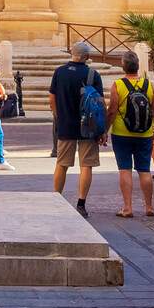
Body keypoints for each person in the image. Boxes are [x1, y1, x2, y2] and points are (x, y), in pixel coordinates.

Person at [49, 39, 105, 215]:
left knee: (62, 164)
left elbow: (52, 99)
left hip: (65, 125)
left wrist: (59, 117)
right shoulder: (92, 74)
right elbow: (100, 103)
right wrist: (102, 129)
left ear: (71, 54)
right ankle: (81, 203)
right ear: (86, 56)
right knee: (86, 165)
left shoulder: (59, 72)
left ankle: (56, 199)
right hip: (88, 126)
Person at [106, 51, 154, 218]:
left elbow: (112, 110)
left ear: (123, 66)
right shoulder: (149, 85)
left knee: (125, 169)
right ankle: (149, 207)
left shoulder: (118, 85)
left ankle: (127, 208)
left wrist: (105, 131)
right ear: (138, 67)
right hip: (145, 133)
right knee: (144, 170)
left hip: (122, 133)